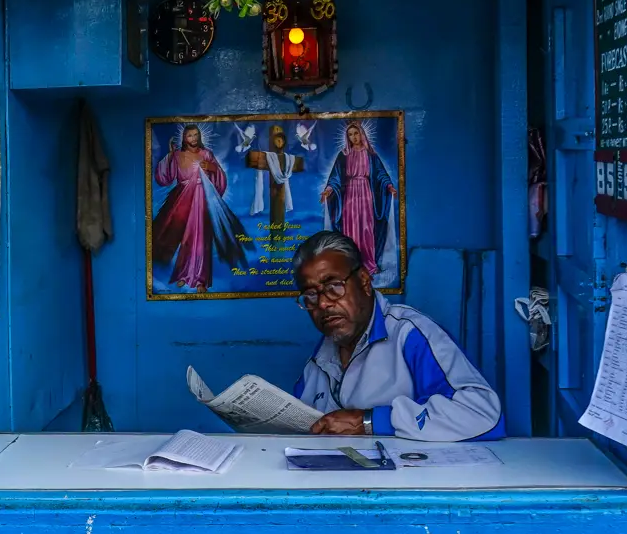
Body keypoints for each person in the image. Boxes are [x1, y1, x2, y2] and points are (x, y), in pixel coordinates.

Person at [291, 231, 504, 441]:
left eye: (334, 286)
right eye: (310, 295)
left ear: (364, 281)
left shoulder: (409, 335)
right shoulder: (320, 359)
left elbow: (481, 413)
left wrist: (369, 422)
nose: (322, 303)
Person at [150, 124, 249, 290]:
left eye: (196, 135)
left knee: (201, 240)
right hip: (181, 200)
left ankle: (201, 280)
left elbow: (219, 178)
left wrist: (211, 168)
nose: (193, 138)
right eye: (190, 135)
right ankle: (183, 274)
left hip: (202, 200)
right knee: (185, 239)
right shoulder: (178, 155)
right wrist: (169, 155)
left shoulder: (206, 154)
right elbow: (164, 178)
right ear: (184, 138)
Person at [320, 121, 396, 276]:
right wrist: (328, 190)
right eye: (350, 134)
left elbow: (381, 174)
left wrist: (389, 186)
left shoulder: (371, 155)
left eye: (356, 133)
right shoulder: (344, 155)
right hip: (349, 196)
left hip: (366, 195)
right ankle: (351, 265)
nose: (353, 137)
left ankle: (368, 263)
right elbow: (335, 176)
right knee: (350, 230)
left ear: (362, 134)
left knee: (367, 230)